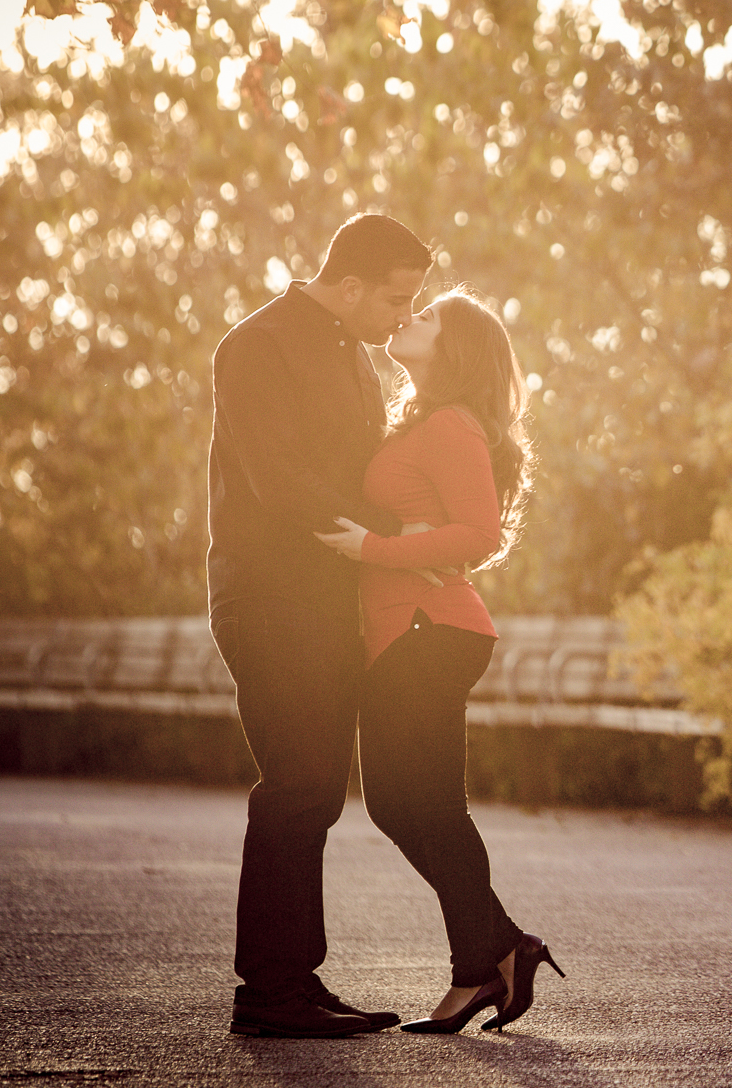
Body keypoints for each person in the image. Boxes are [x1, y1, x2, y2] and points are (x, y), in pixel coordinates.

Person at [314, 286, 563, 1034]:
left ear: (454, 349)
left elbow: (479, 532)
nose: (408, 316)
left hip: (432, 631)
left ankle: (483, 962)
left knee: (427, 807)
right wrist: (399, 537)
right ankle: (498, 951)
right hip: (411, 633)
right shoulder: (422, 419)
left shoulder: (452, 422)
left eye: (426, 316)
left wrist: (375, 547)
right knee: (399, 806)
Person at [207, 212, 432, 1038]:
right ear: (350, 285)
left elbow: (361, 468)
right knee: (297, 783)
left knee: (317, 789)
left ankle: (294, 980)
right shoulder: (256, 344)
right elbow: (278, 479)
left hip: (330, 597)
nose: (404, 317)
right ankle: (269, 993)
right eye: (396, 300)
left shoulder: (353, 354)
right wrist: (389, 533)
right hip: (269, 594)